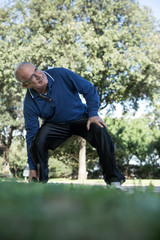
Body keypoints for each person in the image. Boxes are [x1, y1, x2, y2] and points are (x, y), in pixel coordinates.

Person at [14, 62, 125, 187]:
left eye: (36, 70)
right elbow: (31, 134)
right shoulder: (29, 103)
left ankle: (114, 181)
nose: (38, 76)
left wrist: (93, 113)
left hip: (80, 117)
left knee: (100, 129)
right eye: (32, 77)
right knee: (37, 141)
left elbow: (88, 89)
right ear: (25, 85)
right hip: (55, 124)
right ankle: (40, 183)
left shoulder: (61, 73)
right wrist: (32, 167)